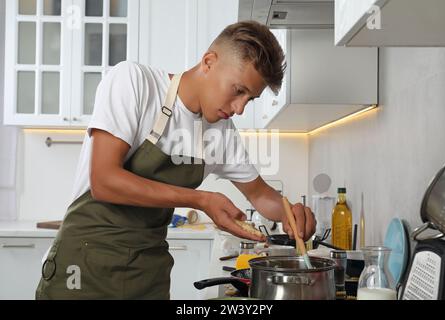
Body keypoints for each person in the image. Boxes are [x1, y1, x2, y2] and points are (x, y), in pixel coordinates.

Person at [36, 20, 316, 300]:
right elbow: (104, 180)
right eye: (238, 90)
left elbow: (260, 195)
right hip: (84, 267)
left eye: (250, 99)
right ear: (209, 62)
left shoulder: (221, 132)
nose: (240, 108)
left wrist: (290, 212)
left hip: (147, 273)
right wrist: (201, 200)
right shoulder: (134, 82)